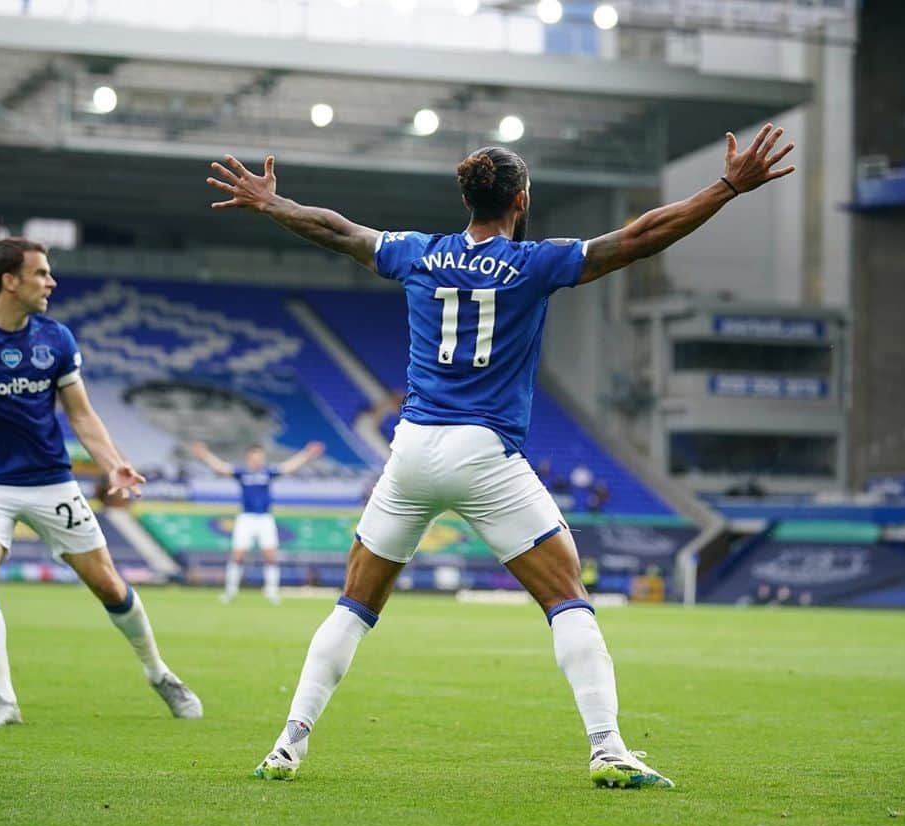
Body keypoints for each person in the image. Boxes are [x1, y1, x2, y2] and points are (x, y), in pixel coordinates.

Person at [206, 123, 795, 788]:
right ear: (520, 201)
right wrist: (725, 187)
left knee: (354, 604)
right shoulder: (536, 262)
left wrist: (272, 203)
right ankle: (607, 748)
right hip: (483, 451)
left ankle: (289, 742)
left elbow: (338, 230)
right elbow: (638, 238)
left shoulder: (417, 253)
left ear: (469, 202)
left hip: (411, 451)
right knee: (568, 597)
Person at [0, 237, 202, 727]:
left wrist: (113, 463)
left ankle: (159, 674)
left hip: (53, 481)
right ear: (10, 281)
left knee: (109, 586)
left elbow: (82, 415)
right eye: (41, 273)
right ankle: (3, 700)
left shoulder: (57, 339)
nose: (51, 281)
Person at [189, 440, 325, 604]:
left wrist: (307, 453)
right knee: (238, 555)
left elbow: (289, 467)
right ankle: (230, 591)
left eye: (260, 456)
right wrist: (204, 454)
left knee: (270, 556)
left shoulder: (267, 473)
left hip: (264, 518)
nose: (258, 459)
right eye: (255, 456)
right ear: (249, 457)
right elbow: (221, 468)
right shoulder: (242, 473)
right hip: (246, 518)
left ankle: (271, 591)